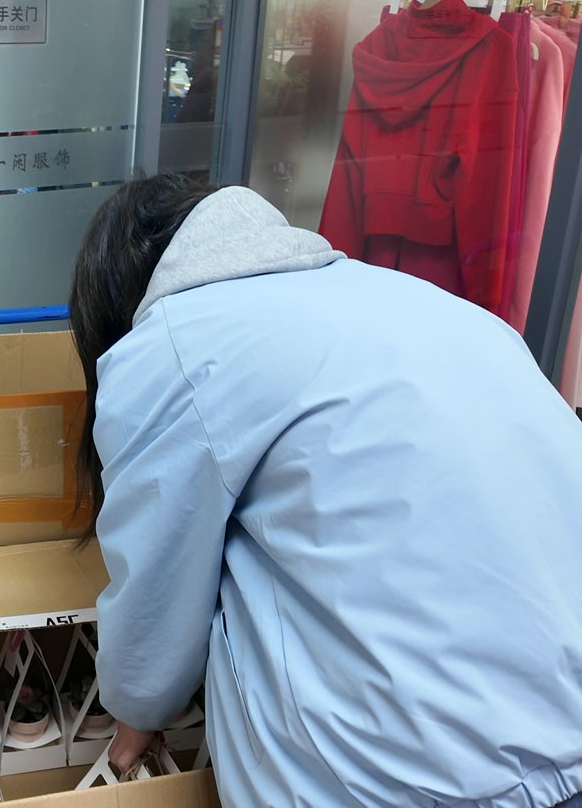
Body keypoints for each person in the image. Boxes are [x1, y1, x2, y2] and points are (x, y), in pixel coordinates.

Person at [67, 175, 582, 807]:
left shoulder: (174, 342)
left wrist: (135, 712)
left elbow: (154, 585)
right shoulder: (409, 297)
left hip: (407, 774)